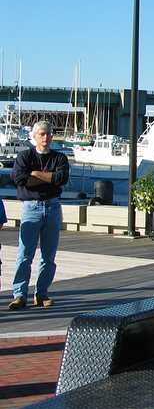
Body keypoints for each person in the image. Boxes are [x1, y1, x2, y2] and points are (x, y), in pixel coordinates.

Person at [8, 121, 69, 310]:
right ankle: (19, 295)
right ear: (34, 136)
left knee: (48, 255)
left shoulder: (59, 158)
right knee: (25, 254)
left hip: (52, 208)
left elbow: (62, 179)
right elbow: (19, 179)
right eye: (42, 134)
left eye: (49, 134)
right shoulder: (25, 156)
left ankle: (41, 294)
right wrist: (49, 178)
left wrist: (35, 174)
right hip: (31, 208)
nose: (46, 137)